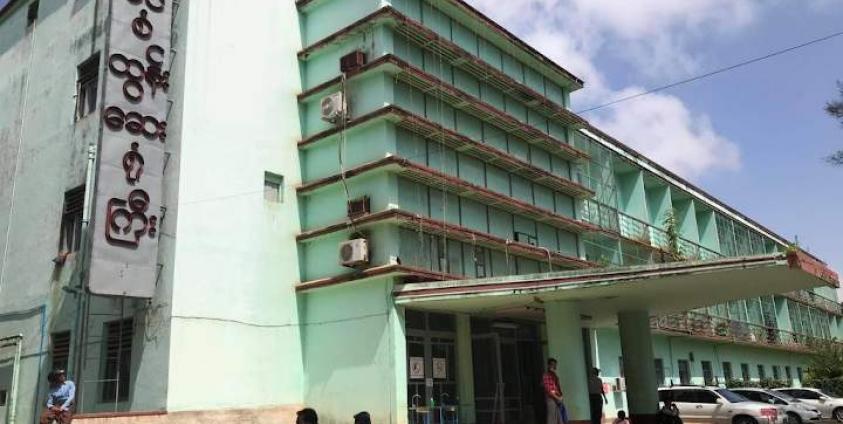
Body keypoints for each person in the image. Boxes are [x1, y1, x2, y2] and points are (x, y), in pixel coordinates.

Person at [543, 358, 566, 424]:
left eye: (555, 364)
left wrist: (560, 396)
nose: (554, 366)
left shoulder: (554, 375)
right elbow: (549, 390)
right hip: (551, 399)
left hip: (557, 399)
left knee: (560, 419)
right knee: (552, 419)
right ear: (549, 365)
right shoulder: (546, 375)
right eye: (553, 364)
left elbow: (556, 388)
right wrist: (558, 398)